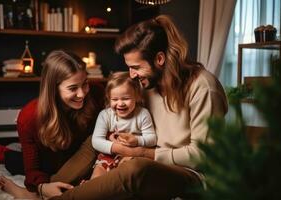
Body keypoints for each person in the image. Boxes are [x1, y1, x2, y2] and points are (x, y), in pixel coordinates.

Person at [48, 15, 228, 200]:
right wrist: (120, 141)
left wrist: (143, 154)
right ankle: (47, 188)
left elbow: (201, 156)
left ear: (159, 59)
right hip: (150, 156)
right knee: (98, 139)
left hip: (191, 175)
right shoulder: (147, 84)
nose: (132, 75)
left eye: (136, 67)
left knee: (135, 169)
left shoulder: (203, 87)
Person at [0, 49, 104, 199]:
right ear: (54, 89)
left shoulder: (96, 93)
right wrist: (41, 187)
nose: (82, 94)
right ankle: (21, 191)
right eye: (73, 88)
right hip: (48, 161)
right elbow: (33, 170)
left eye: (85, 83)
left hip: (79, 157)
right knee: (13, 161)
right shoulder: (29, 117)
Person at [89, 71, 156, 180]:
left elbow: (152, 139)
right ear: (109, 98)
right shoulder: (105, 115)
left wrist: (137, 140)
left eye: (126, 98)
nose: (120, 103)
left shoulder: (143, 114)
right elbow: (96, 141)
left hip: (132, 156)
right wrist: (115, 148)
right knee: (96, 178)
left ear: (137, 97)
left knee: (121, 176)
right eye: (115, 99)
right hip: (109, 155)